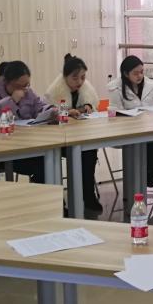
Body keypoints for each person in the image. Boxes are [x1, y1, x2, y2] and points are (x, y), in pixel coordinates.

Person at [105, 56, 153, 198]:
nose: (140, 76)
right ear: (125, 74)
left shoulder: (149, 85)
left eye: (142, 72)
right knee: (150, 144)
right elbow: (113, 112)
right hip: (126, 130)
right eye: (135, 73)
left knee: (152, 141)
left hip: (146, 128)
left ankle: (152, 176)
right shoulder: (115, 87)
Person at [44, 54, 102, 213]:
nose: (80, 82)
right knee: (53, 157)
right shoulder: (54, 92)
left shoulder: (86, 89)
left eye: (83, 77)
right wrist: (67, 112)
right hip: (59, 139)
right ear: (65, 77)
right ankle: (58, 202)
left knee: (89, 151)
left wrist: (87, 107)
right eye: (75, 78)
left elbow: (92, 106)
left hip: (81, 136)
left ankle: (88, 195)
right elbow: (49, 114)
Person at [0, 61, 51, 184]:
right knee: (41, 163)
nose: (25, 89)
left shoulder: (28, 91)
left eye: (27, 85)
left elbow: (40, 106)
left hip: (26, 144)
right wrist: (11, 100)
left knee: (48, 159)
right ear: (6, 82)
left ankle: (48, 194)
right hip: (0, 149)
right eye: (19, 86)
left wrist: (53, 111)